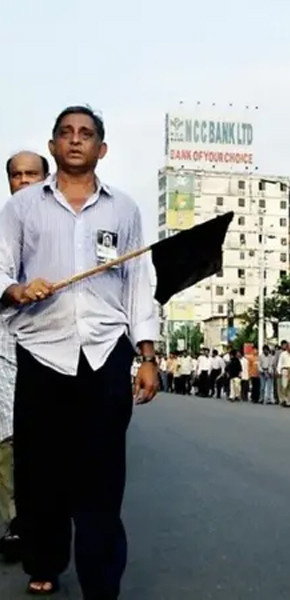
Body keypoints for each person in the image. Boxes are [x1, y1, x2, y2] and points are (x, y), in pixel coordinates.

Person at [0, 106, 161, 598]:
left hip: (104, 355)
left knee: (102, 476)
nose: (75, 141)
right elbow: (1, 268)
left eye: (86, 134)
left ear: (101, 149)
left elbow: (138, 286)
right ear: (53, 147)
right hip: (42, 352)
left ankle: (101, 579)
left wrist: (147, 355)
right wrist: (16, 290)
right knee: (39, 471)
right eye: (66, 133)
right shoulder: (23, 208)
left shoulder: (124, 210)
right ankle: (45, 559)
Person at [0, 151, 48, 564]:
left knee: (41, 450)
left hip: (47, 358)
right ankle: (18, 523)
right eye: (16, 175)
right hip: (4, 357)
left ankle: (40, 523)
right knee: (7, 446)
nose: (23, 181)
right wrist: (15, 290)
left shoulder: (61, 231)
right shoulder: (4, 228)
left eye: (32, 174)